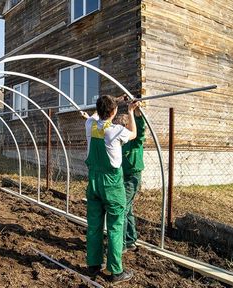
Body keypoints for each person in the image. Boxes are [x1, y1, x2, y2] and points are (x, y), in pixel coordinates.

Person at [82, 95, 138, 284]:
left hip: (94, 183)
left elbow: (96, 114)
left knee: (94, 225)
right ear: (114, 112)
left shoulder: (89, 125)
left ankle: (93, 264)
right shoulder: (116, 131)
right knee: (115, 226)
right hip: (112, 185)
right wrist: (130, 110)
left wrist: (114, 100)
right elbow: (134, 134)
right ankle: (115, 271)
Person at [113, 104, 146, 252]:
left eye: (120, 126)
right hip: (123, 176)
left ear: (127, 126)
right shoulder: (121, 141)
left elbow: (140, 131)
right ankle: (131, 240)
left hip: (133, 176)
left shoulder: (134, 140)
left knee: (123, 208)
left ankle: (122, 244)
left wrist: (135, 113)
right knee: (129, 208)